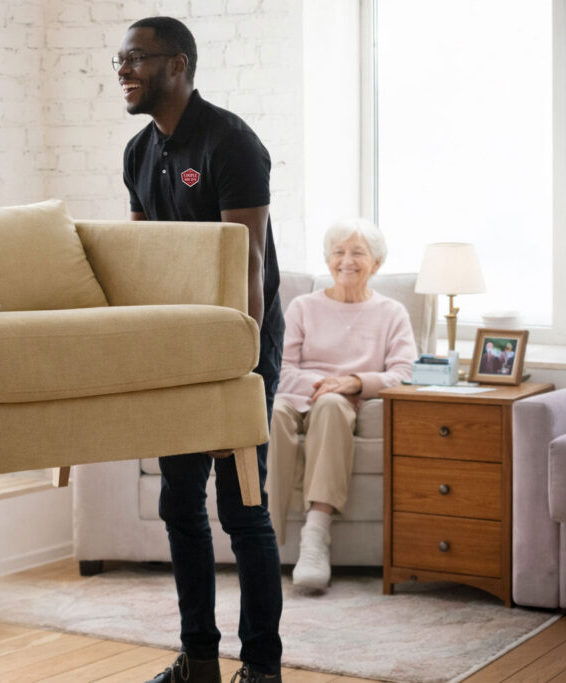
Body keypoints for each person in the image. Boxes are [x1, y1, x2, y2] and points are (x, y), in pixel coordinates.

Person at [117, 16, 284, 683]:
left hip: (240, 349)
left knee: (241, 508)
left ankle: (262, 668)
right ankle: (201, 661)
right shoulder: (136, 152)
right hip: (177, 350)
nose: (124, 71)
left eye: (135, 58)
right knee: (177, 503)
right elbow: (139, 267)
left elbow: (250, 273)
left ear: (177, 63)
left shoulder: (232, 144)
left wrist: (232, 381)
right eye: (118, 61)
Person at [266, 219, 415, 592]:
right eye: (338, 252)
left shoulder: (391, 313)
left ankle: (316, 536)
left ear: (376, 263)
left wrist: (355, 383)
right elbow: (279, 367)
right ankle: (265, 539)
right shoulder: (302, 307)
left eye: (358, 253)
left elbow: (405, 373)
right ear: (328, 260)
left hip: (344, 403)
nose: (346, 260)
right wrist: (327, 384)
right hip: (295, 395)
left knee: (332, 406)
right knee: (275, 414)